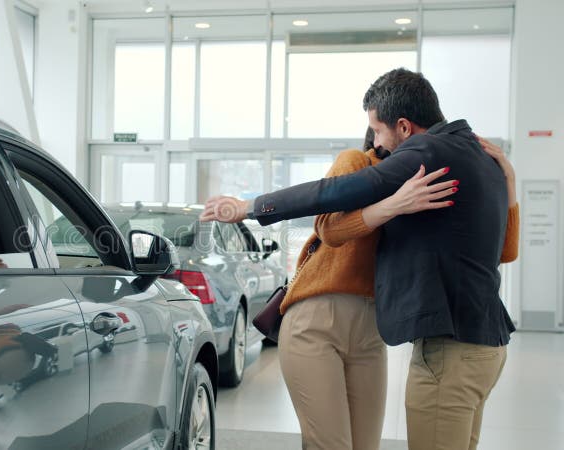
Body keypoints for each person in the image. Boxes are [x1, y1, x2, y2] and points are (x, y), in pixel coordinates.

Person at [201, 68, 519, 450]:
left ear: (403, 127)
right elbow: (507, 252)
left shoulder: (428, 154)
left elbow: (334, 192)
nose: (377, 141)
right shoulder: (481, 159)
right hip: (484, 345)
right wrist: (508, 185)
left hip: (445, 345)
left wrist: (249, 206)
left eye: (379, 129)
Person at [277, 128, 456, 450]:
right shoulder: (357, 162)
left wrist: (509, 181)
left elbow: (507, 252)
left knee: (365, 445)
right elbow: (328, 227)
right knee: (330, 444)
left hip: (372, 330)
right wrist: (393, 205)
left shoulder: (424, 186)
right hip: (317, 318)